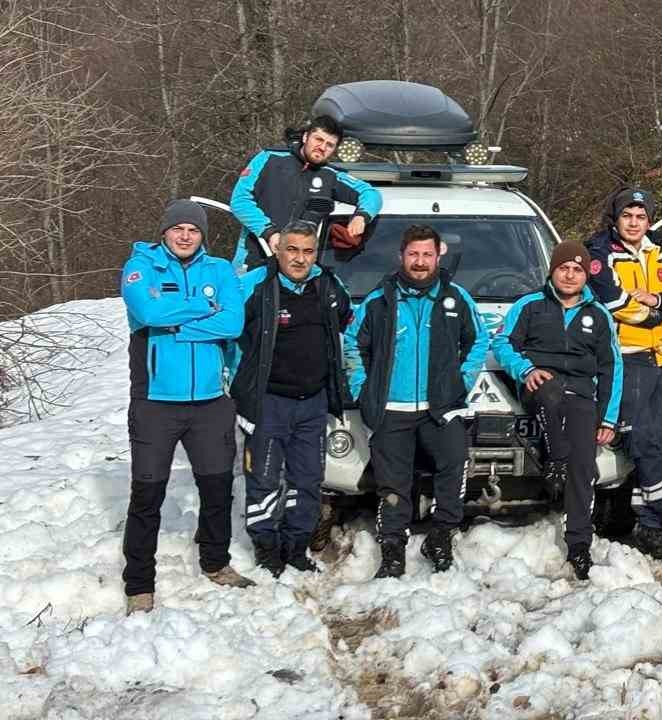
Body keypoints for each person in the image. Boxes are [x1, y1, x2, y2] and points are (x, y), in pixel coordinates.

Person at [121, 200, 252, 614]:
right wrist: (203, 308)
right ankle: (139, 585)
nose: (184, 236)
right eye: (177, 228)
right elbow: (147, 310)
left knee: (217, 489)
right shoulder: (140, 268)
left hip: (211, 403)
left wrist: (175, 324)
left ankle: (216, 562)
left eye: (192, 230)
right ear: (164, 232)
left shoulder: (219, 270)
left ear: (202, 236)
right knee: (147, 495)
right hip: (155, 403)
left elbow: (233, 323)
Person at [343, 224, 489, 579]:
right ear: (401, 256)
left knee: (453, 472)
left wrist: (462, 381)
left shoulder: (456, 298)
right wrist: (363, 388)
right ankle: (392, 548)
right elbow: (352, 345)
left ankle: (440, 536)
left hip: (443, 408)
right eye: (413, 254)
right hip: (392, 408)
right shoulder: (380, 301)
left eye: (427, 254)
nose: (420, 262)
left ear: (438, 255)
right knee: (393, 485)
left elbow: (479, 341)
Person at [230, 220, 354, 577]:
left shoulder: (328, 284)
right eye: (292, 250)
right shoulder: (254, 285)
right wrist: (235, 386)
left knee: (308, 479)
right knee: (264, 479)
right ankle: (266, 549)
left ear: (316, 253)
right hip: (268, 402)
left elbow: (348, 321)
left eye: (308, 251)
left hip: (313, 402)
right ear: (278, 249)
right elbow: (228, 335)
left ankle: (295, 546)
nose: (300, 259)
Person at [492, 240, 622, 580]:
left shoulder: (599, 315)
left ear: (585, 275)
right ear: (553, 270)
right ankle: (557, 459)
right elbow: (502, 342)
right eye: (564, 268)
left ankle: (579, 545)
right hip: (538, 387)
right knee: (549, 389)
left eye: (577, 270)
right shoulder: (530, 305)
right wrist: (524, 370)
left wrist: (608, 417)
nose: (569, 275)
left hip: (580, 395)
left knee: (585, 467)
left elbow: (612, 367)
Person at [585, 186, 662, 558]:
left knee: (655, 446)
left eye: (641, 216)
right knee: (642, 445)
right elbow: (612, 301)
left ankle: (648, 527)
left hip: (659, 359)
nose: (634, 223)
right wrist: (658, 314)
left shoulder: (656, 250)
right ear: (615, 219)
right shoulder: (600, 252)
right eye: (627, 216)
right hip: (625, 360)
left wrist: (660, 301)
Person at [230, 114, 382, 269]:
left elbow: (371, 194)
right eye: (318, 139)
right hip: (253, 259)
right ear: (305, 137)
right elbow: (240, 200)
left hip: (298, 267)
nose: (322, 147)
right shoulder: (269, 158)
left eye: (330, 145)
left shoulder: (331, 176)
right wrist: (269, 233)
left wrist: (361, 216)